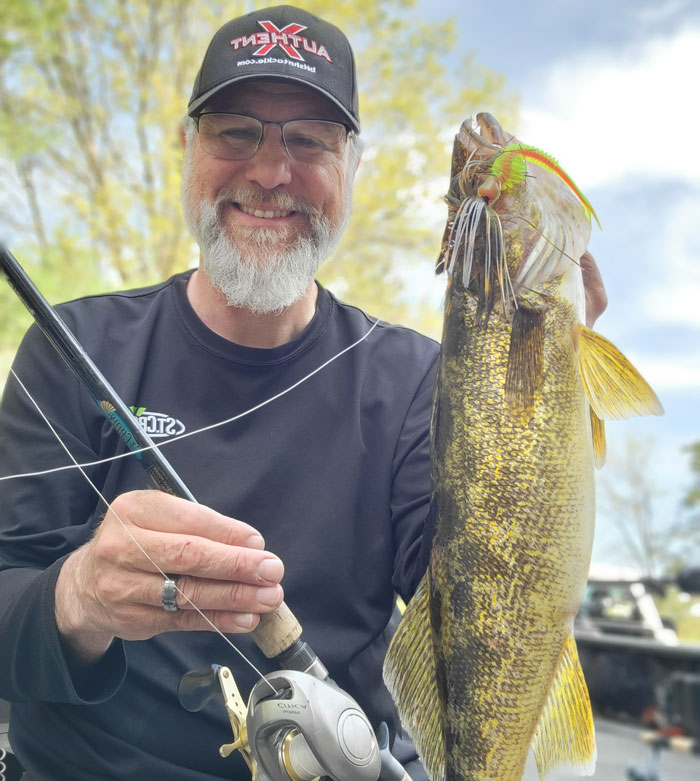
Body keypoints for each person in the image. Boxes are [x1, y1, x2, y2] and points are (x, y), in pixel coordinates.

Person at [0, 5, 607, 780]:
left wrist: (552, 386)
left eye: (309, 140)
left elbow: (486, 607)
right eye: (236, 131)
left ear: (352, 169)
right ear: (188, 150)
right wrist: (77, 595)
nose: (269, 171)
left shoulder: (421, 378)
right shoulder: (69, 348)